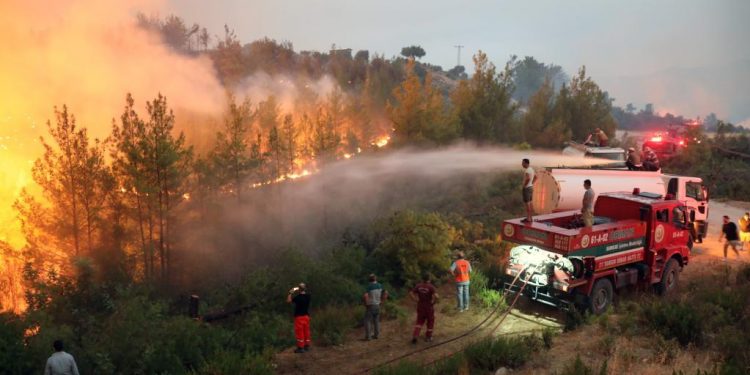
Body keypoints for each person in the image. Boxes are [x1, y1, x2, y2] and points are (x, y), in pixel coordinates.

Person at [410, 274, 438, 344]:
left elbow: (410, 293)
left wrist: (415, 300)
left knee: (419, 321)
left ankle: (415, 335)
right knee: (430, 321)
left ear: (422, 279)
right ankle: (428, 337)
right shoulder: (431, 287)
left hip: (420, 305)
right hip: (428, 306)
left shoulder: (418, 286)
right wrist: (434, 302)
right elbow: (437, 296)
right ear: (429, 279)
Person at [287, 282, 311, 353]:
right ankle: (307, 345)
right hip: (306, 316)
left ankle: (301, 347)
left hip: (299, 317)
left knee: (299, 332)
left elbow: (288, 301)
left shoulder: (298, 298)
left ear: (299, 289)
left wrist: (290, 293)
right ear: (305, 288)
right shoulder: (308, 296)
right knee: (306, 331)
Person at [362, 274, 388, 340]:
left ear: (369, 279)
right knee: (376, 320)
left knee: (367, 320)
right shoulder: (380, 285)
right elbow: (386, 293)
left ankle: (368, 336)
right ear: (376, 279)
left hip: (371, 305)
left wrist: (366, 304)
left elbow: (365, 296)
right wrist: (382, 301)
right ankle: (377, 335)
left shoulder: (369, 286)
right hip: (378, 305)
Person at [521, 159, 535, 223]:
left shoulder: (527, 170)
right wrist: (532, 183)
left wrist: (524, 186)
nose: (522, 164)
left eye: (523, 163)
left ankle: (528, 219)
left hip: (527, 189)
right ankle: (530, 218)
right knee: (530, 203)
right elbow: (536, 177)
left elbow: (528, 178)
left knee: (527, 204)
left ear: (526, 163)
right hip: (531, 187)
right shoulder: (531, 169)